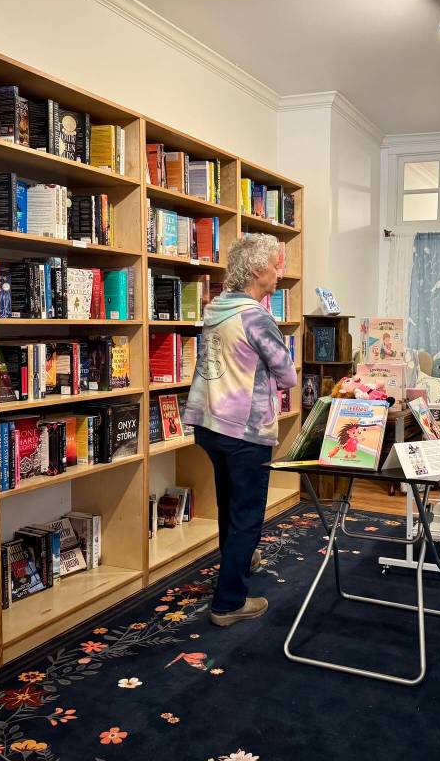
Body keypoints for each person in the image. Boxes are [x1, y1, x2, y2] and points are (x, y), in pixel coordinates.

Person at [185, 233, 297, 626]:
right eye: (274, 265)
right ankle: (229, 602)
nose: (279, 273)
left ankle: (238, 562)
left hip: (210, 423)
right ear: (255, 270)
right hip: (243, 430)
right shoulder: (256, 316)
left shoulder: (216, 309)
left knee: (230, 507)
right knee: (247, 513)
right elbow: (288, 374)